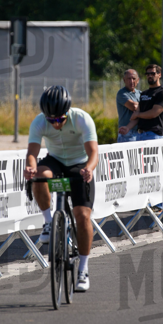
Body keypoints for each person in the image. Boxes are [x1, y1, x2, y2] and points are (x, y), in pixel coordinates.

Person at [24, 85, 98, 292]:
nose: (56, 124)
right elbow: (32, 152)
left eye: (60, 120)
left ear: (68, 112)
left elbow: (93, 152)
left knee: (82, 217)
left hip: (79, 165)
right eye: (51, 120)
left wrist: (89, 169)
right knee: (39, 175)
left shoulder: (82, 119)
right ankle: (48, 223)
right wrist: (30, 166)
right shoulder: (39, 121)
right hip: (55, 161)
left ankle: (83, 269)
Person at [118, 63, 163, 140]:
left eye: (152, 73)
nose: (149, 76)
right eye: (147, 74)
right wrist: (127, 128)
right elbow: (137, 115)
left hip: (154, 135)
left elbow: (153, 113)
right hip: (140, 135)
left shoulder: (162, 93)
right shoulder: (144, 93)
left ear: (159, 75)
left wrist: (138, 114)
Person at [116, 69, 140, 142]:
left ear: (138, 80)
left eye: (133, 78)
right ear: (124, 80)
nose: (131, 81)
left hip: (139, 132)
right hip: (126, 133)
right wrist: (144, 105)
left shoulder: (140, 93)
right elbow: (133, 107)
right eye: (129, 79)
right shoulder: (122, 93)